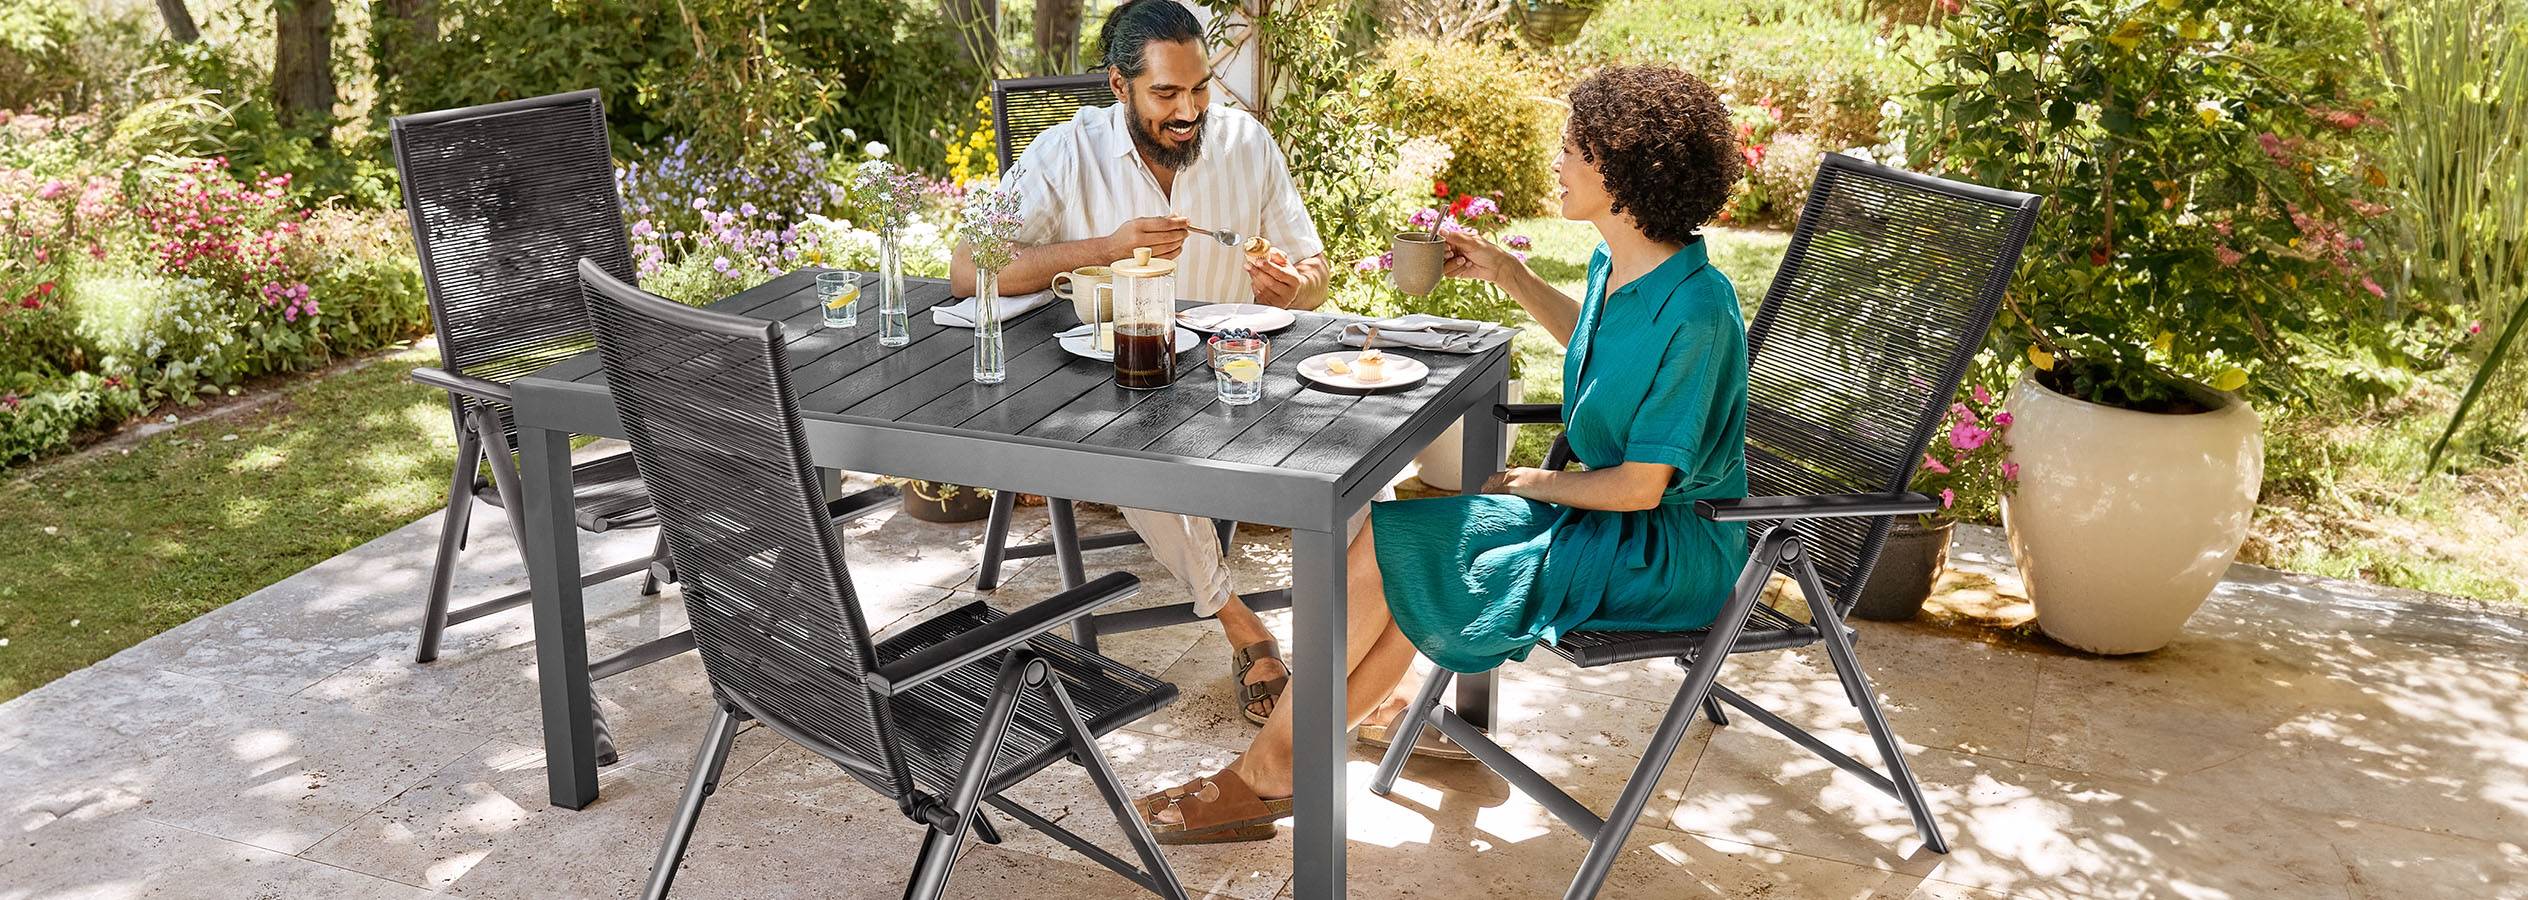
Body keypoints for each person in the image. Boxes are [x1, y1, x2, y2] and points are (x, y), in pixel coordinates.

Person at [1134, 64, 1753, 845]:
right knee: (1399, 553)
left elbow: (1638, 487)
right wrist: (1512, 273)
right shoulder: (1621, 266)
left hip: (1661, 549)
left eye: (1572, 151)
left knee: (1394, 554)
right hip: (1601, 526)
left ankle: (1267, 774)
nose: (1557, 164)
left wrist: (1538, 481)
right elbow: (1609, 354)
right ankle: (1278, 768)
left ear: (1624, 171)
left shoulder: (1700, 310)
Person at [948, 0, 1334, 728]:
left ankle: (1376, 659)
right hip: (1115, 379)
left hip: (1230, 376)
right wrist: (1104, 247)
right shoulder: (1065, 152)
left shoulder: (1246, 145)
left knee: (1362, 443)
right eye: (1166, 94)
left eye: (1200, 89)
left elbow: (1313, 268)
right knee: (1127, 433)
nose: (1190, 111)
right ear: (1119, 86)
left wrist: (1296, 283)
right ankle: (1243, 627)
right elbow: (970, 269)